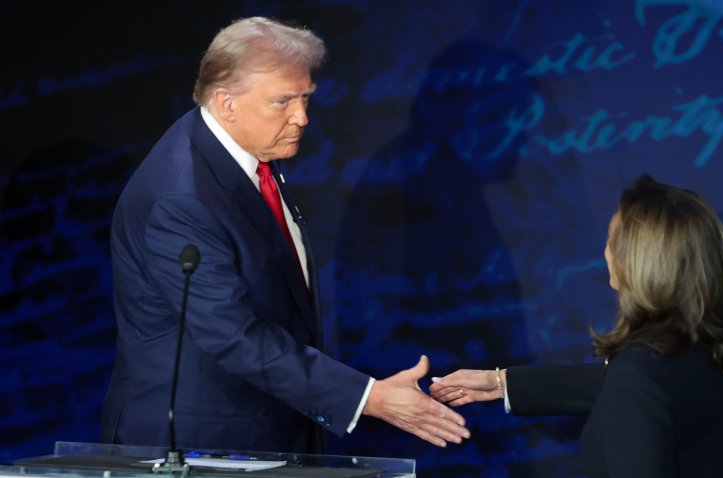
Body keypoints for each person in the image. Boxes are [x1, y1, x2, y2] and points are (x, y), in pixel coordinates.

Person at [101, 16, 469, 454]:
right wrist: (366, 397)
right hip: (198, 445)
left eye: (306, 98)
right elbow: (233, 335)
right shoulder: (182, 198)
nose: (302, 118)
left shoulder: (240, 152)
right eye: (283, 102)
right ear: (227, 103)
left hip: (264, 431)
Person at [430, 175, 723, 477]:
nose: (605, 253)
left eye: (610, 240)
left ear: (637, 263)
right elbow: (643, 387)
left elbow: (636, 387)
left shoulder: (639, 373)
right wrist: (502, 383)